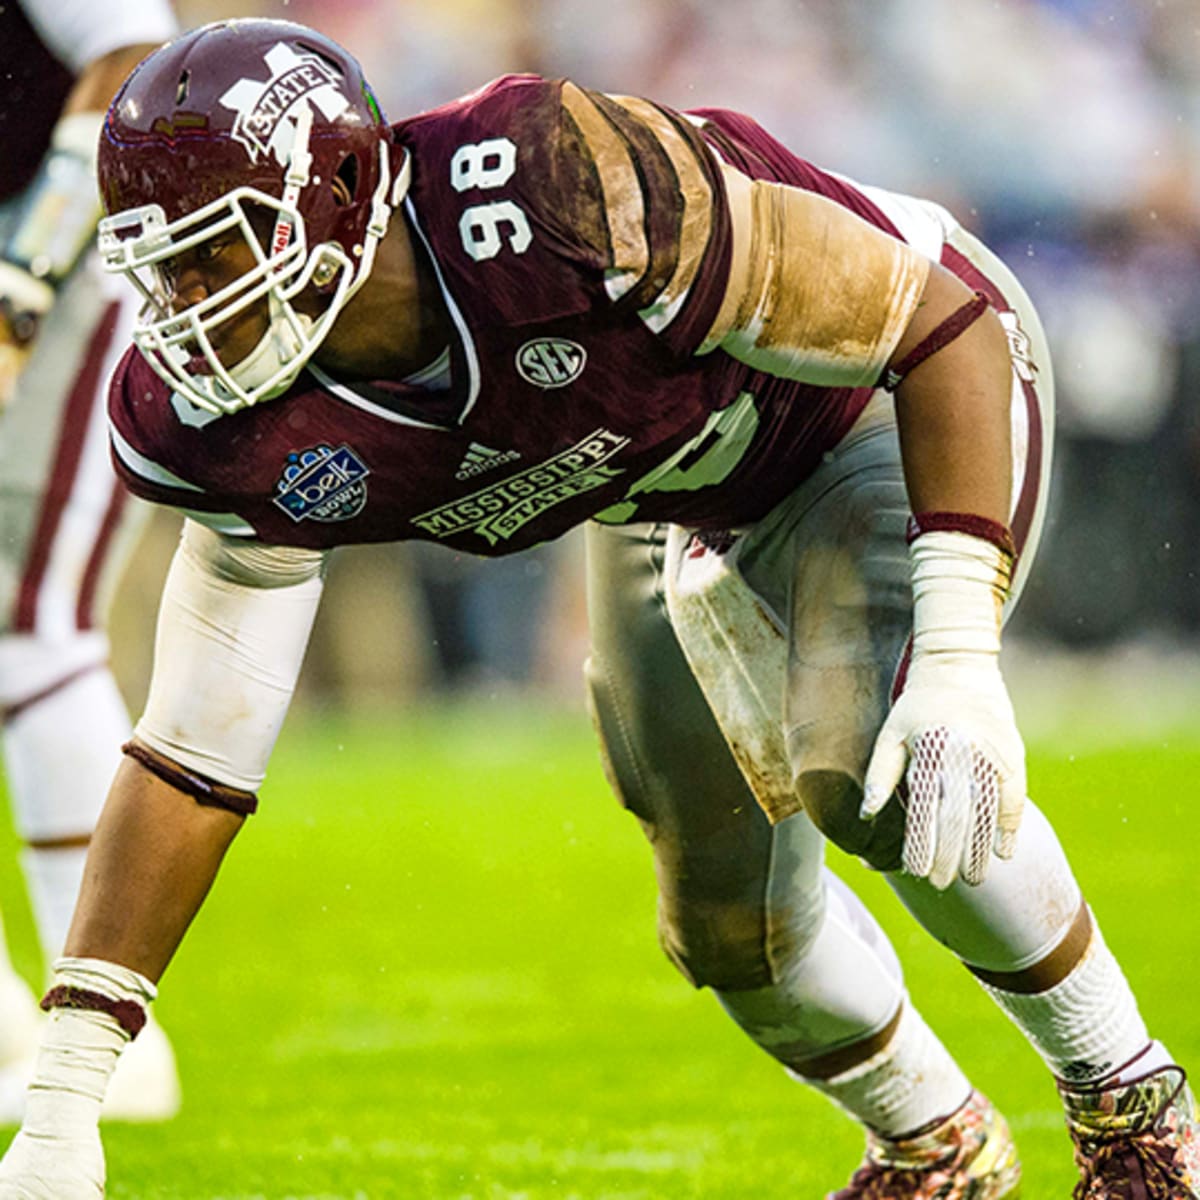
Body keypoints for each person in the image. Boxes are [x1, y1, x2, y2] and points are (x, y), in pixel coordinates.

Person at [0, 17, 1194, 1197]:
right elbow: (191, 760)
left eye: (219, 252)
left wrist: (956, 657)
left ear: (343, 191)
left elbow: (931, 327)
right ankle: (936, 1147)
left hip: (875, 398)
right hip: (665, 490)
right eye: (163, 267)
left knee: (867, 763)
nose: (189, 308)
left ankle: (1135, 1107)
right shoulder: (212, 424)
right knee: (729, 930)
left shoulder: (551, 189)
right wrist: (66, 1090)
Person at [0, 0, 182, 1123]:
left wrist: (24, 280)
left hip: (77, 258)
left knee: (28, 621)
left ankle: (105, 1042)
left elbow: (128, 60)